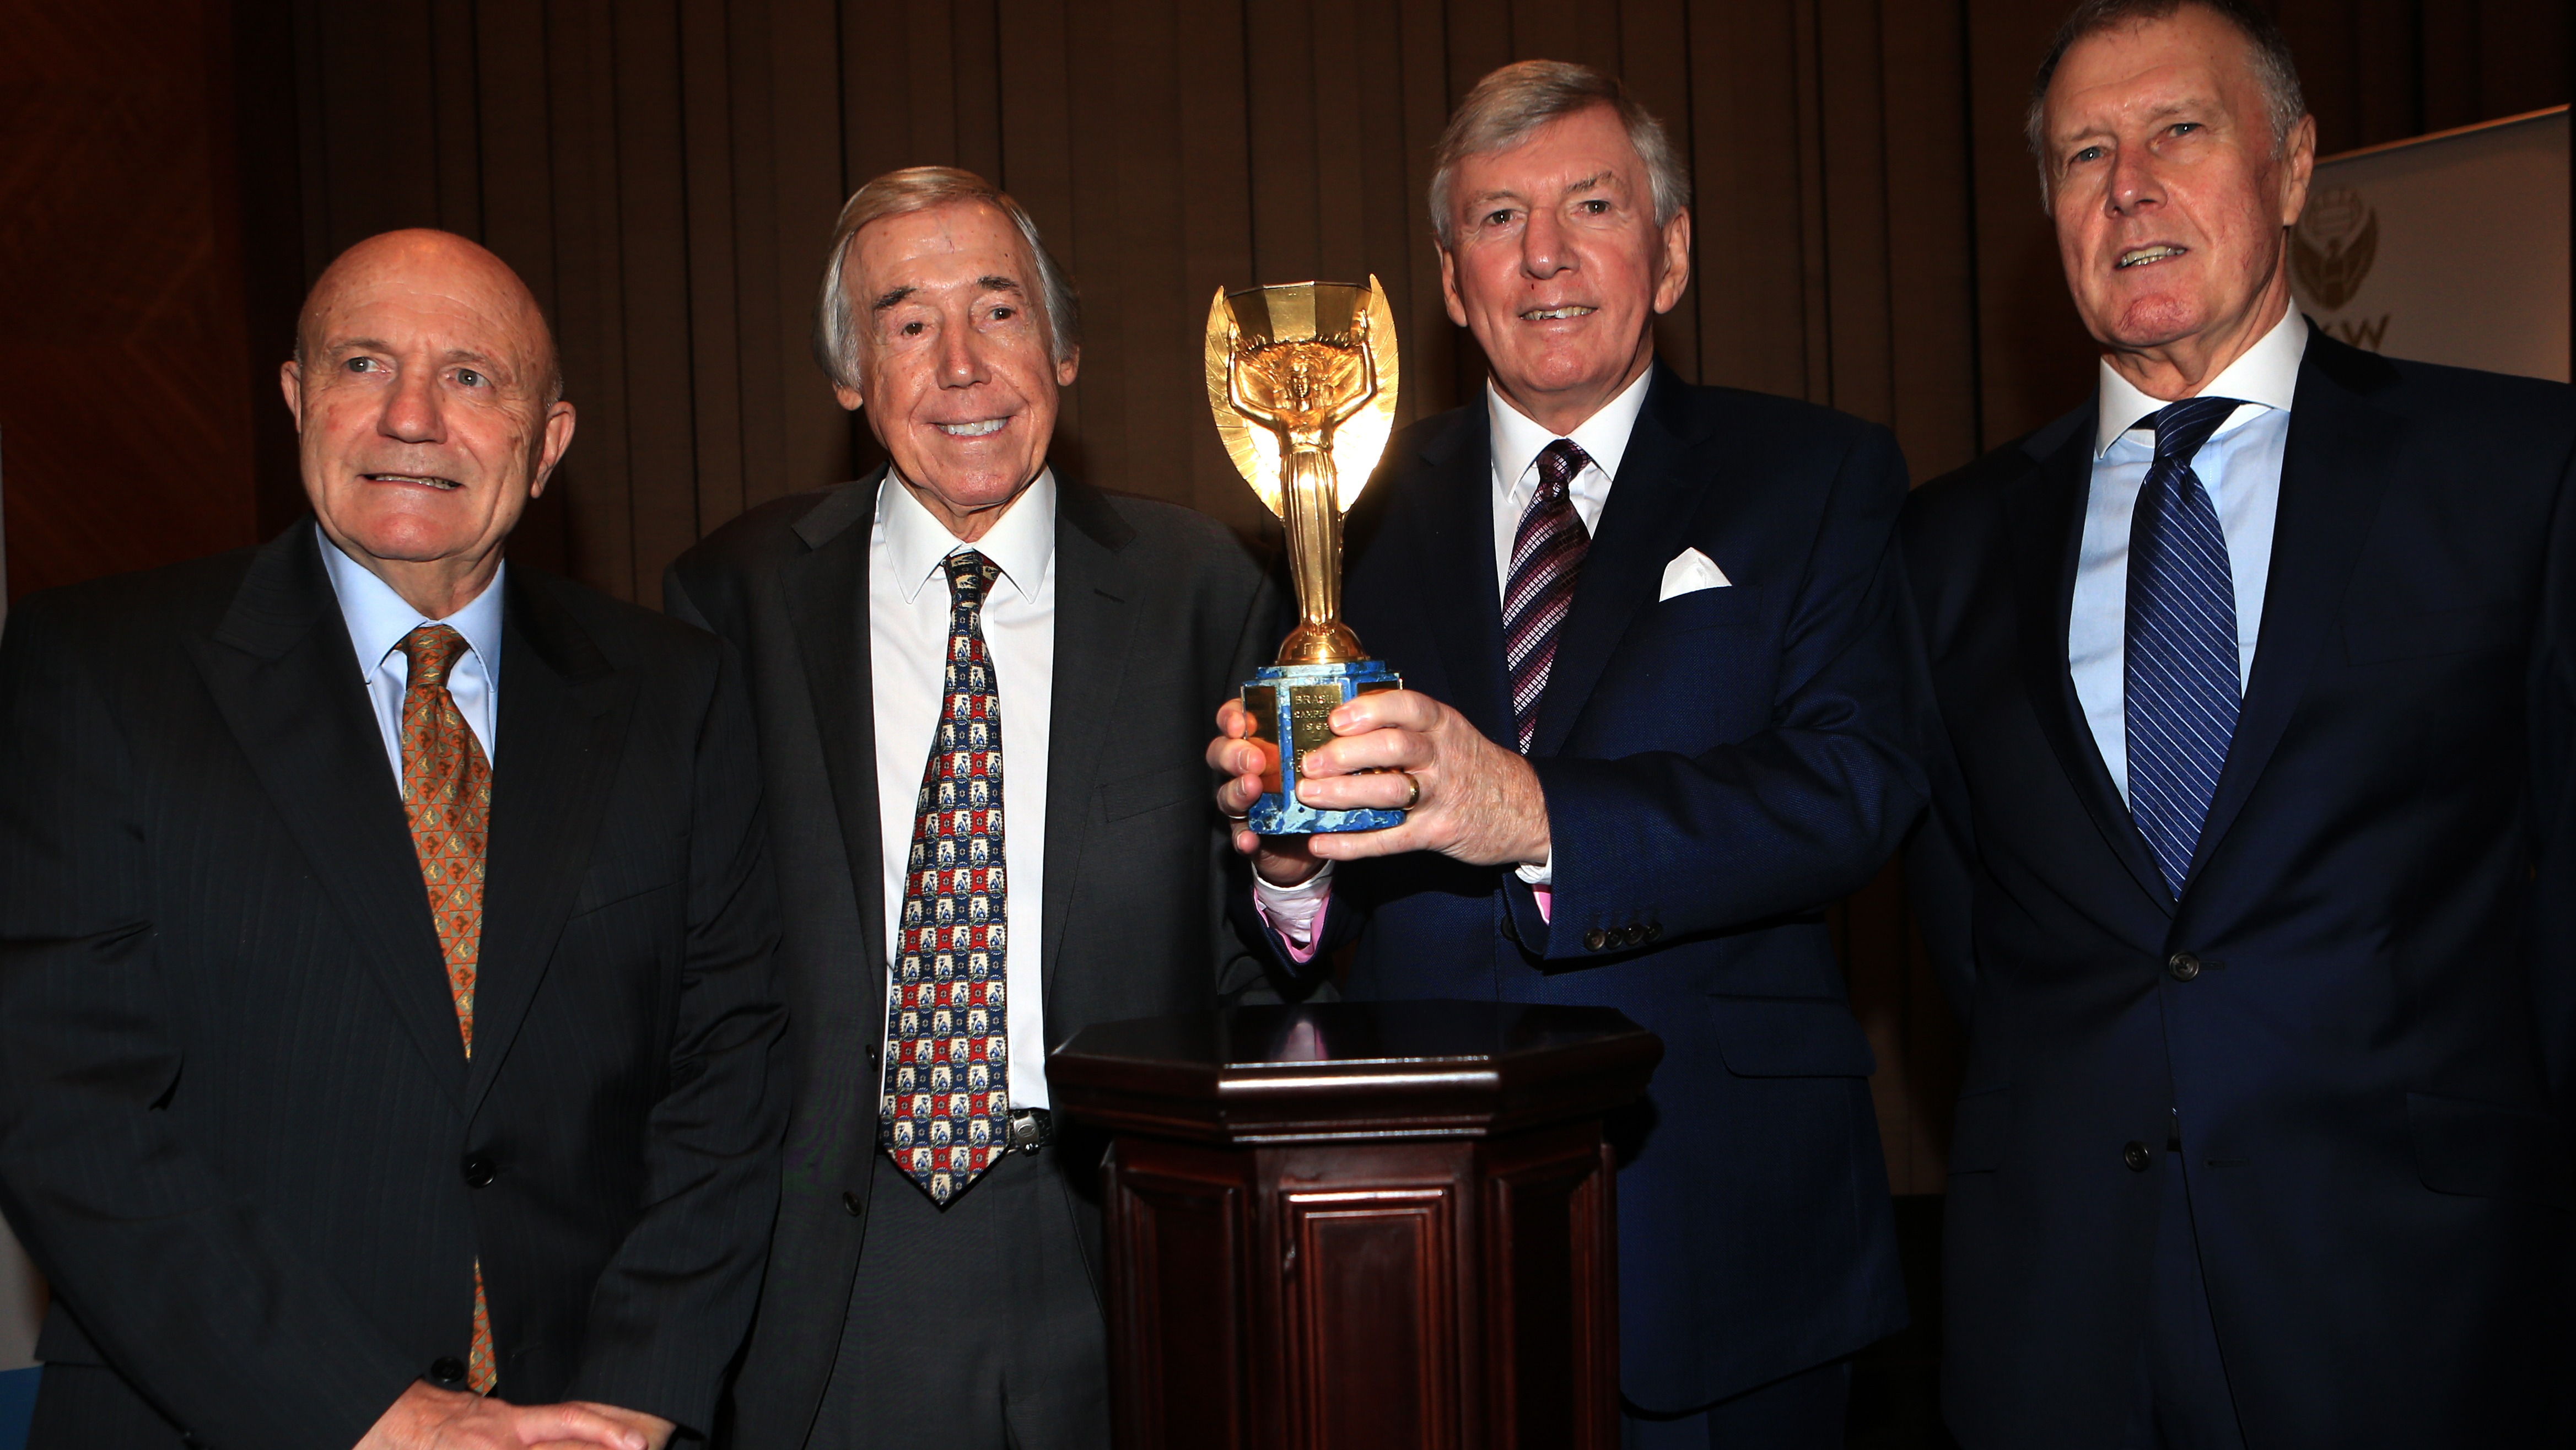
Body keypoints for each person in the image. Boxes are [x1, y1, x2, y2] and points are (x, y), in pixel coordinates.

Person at [1206, 61, 1922, 1447]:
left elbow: (1856, 788)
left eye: (1593, 205)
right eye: (1498, 218)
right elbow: (1307, 924)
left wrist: (1534, 812)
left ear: (1672, 252)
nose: (1544, 254)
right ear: (1450, 280)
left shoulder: (1816, 472)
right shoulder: (1341, 510)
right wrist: (1291, 865)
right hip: (1414, 1236)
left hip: (1726, 1232)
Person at [1901, 2, 2576, 1444]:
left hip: (2419, 1293)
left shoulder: (2519, 470)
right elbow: (1967, 925)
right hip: (2060, 1311)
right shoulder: (1941, 548)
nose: (2128, 186)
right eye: (2084, 153)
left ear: (2293, 167)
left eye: (2179, 131)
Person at [0, 230, 788, 1448]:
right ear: (296, 396)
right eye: (364, 363)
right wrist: (372, 1412)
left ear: (549, 442)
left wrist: (637, 1395)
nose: (410, 416)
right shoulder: (99, 671)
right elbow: (63, 1107)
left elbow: (731, 1070)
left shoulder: (677, 694)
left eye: (470, 376)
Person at [666, 167, 1274, 1449]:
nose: (960, 364)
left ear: (1063, 348)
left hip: (1119, 1245)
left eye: (998, 311)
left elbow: (1260, 952)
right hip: (834, 1263)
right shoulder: (735, 598)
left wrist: (1297, 874)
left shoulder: (1200, 590)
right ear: (851, 376)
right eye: (907, 322)